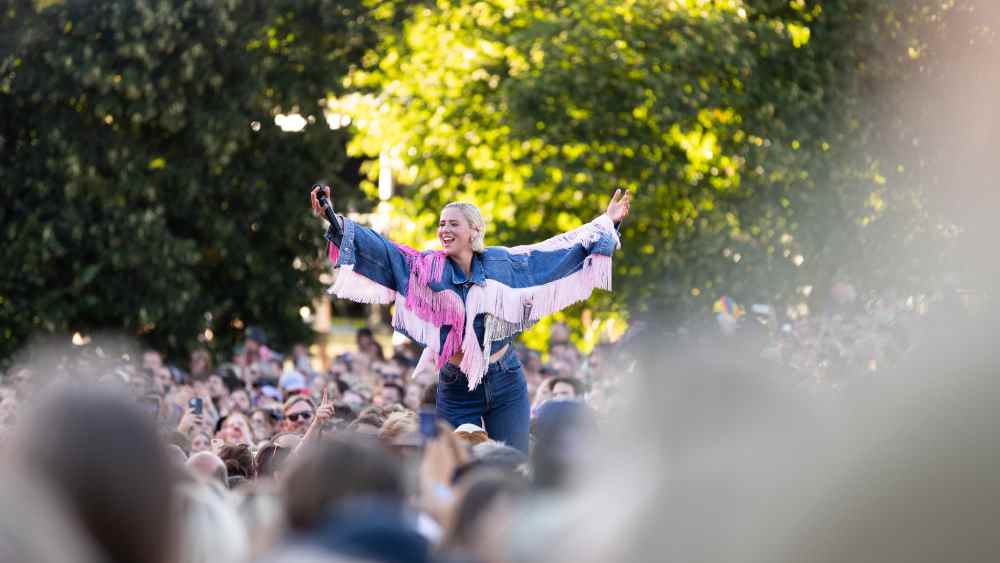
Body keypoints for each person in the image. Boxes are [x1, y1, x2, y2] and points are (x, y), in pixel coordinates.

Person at [311, 185, 630, 452]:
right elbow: (383, 250)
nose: (444, 230)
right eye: (441, 224)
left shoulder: (503, 263)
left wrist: (606, 225)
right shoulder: (426, 267)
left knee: (513, 462)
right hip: (456, 382)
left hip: (506, 377)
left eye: (453, 224)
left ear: (474, 231)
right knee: (452, 464)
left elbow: (551, 255)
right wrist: (333, 218)